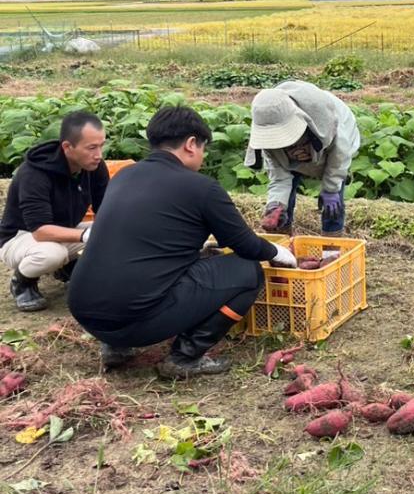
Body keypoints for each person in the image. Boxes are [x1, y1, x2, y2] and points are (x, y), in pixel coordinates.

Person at [69, 105, 297, 379]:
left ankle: (115, 347)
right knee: (247, 270)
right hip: (137, 321)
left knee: (152, 266)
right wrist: (277, 251)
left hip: (85, 312)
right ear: (191, 144)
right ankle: (185, 357)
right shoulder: (202, 188)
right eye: (203, 148)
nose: (202, 156)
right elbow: (246, 246)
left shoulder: (124, 176)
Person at [0, 110, 108, 312]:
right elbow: (40, 231)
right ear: (68, 147)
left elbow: (105, 209)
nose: (98, 155)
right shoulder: (34, 174)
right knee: (52, 254)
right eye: (91, 148)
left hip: (65, 230)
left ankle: (68, 268)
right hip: (21, 237)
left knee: (114, 231)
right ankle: (22, 282)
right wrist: (86, 235)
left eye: (101, 145)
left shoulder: (94, 167)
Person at [246, 81, 360, 236]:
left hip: (333, 149)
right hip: (307, 149)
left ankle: (331, 248)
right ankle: (283, 248)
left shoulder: (328, 122)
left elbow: (339, 158)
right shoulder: (268, 135)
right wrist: (275, 205)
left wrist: (331, 189)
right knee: (282, 207)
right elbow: (279, 178)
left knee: (332, 205)